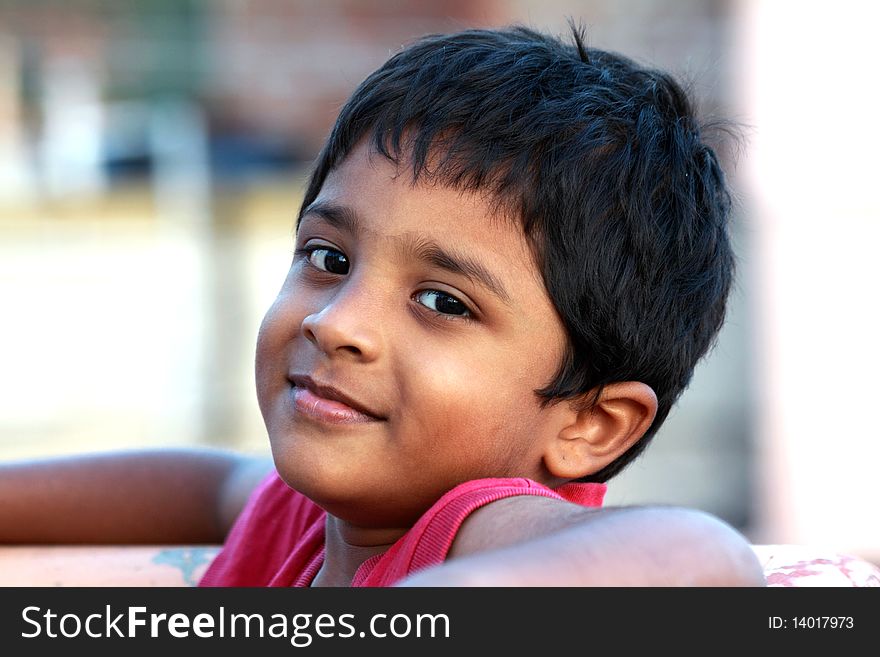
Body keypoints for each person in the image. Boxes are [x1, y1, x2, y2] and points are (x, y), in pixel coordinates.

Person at [0, 24, 765, 587]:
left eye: (441, 301)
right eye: (328, 259)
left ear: (587, 424)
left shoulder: (480, 531)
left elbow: (704, 555)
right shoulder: (309, 520)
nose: (335, 322)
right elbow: (204, 486)